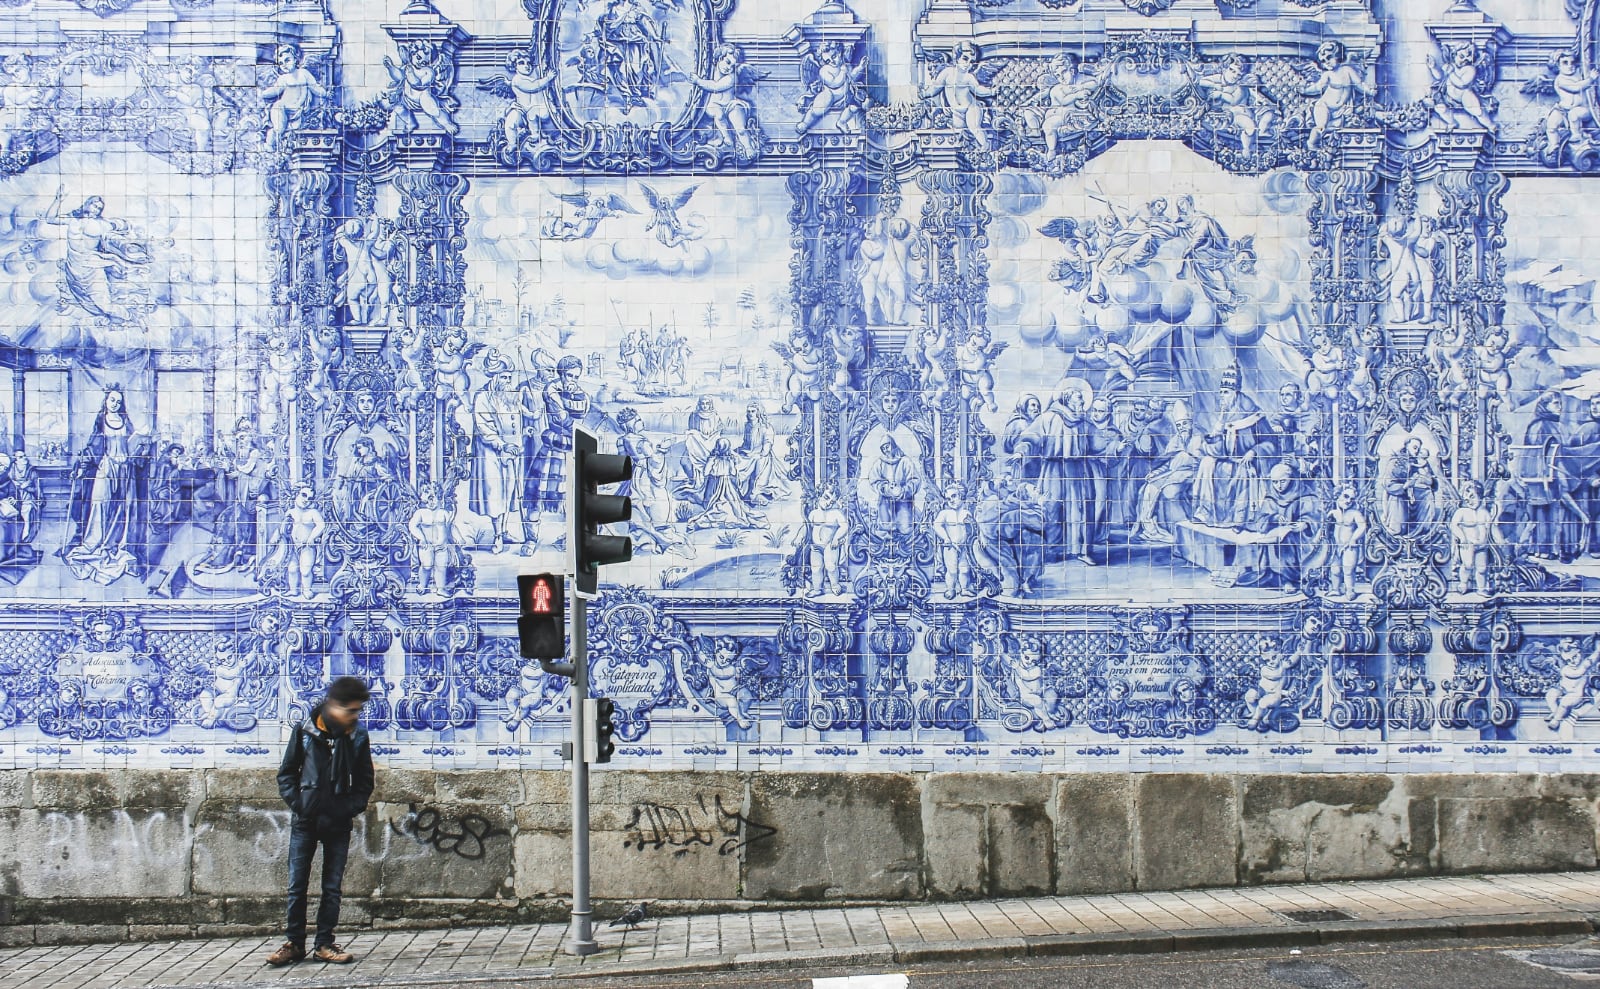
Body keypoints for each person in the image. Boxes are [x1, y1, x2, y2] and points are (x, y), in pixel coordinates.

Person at [268, 676, 374, 967]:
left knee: (332, 888)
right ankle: (294, 943)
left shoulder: (357, 736)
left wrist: (348, 808)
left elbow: (365, 782)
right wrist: (300, 804)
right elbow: (287, 773)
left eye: (357, 710)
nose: (355, 716)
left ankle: (324, 944)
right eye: (350, 710)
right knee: (296, 885)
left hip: (337, 822)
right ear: (334, 706)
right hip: (306, 820)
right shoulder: (305, 730)